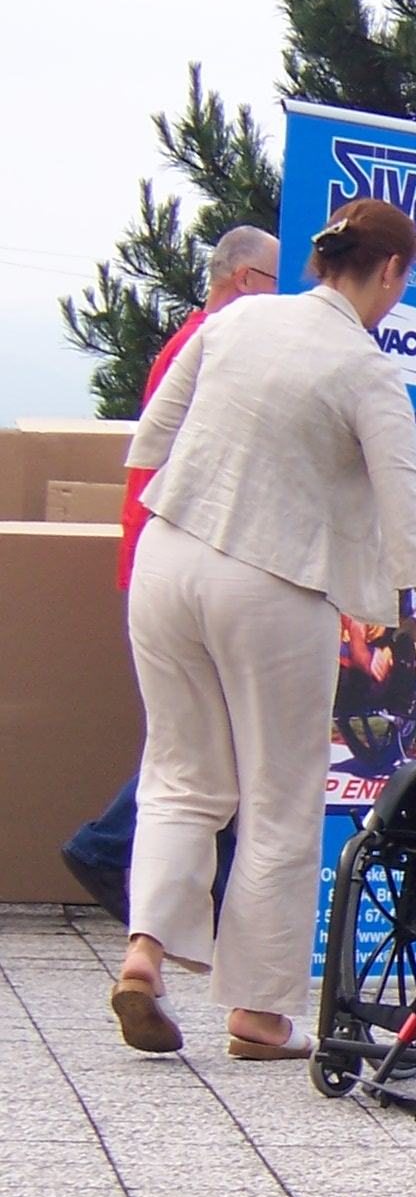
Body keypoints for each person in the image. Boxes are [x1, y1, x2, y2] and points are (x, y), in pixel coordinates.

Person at [109, 198, 416, 1060]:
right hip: (273, 582)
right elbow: (412, 528)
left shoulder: (235, 320)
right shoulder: (366, 369)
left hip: (168, 561)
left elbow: (148, 444)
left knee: (177, 774)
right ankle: (257, 1014)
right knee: (280, 798)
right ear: (391, 271)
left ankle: (144, 954)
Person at [59, 225, 280, 923]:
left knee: (202, 731)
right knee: (212, 733)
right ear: (245, 279)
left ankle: (167, 872)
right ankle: (113, 846)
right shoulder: (214, 348)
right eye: (278, 282)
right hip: (187, 561)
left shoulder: (192, 343)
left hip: (164, 560)